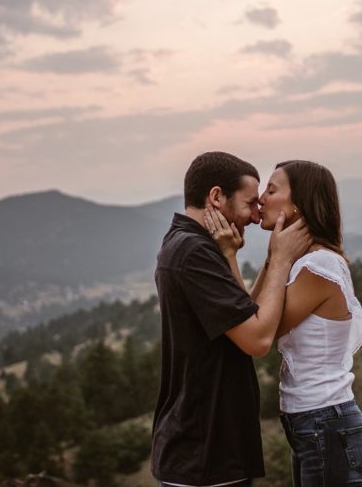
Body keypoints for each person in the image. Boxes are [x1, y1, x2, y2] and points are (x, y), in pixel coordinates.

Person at [204, 159, 362, 487]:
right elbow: (250, 309)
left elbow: (256, 329)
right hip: (317, 425)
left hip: (327, 424)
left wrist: (229, 257)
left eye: (271, 190)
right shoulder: (302, 263)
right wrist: (274, 258)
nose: (261, 199)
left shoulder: (318, 267)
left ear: (298, 204)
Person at [151, 151, 312, 487]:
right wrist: (281, 261)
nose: (255, 215)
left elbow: (245, 313)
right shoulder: (193, 252)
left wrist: (254, 258)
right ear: (216, 197)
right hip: (204, 451)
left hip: (207, 448)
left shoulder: (191, 245)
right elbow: (258, 339)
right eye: (249, 203)